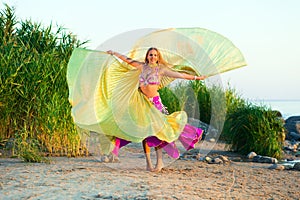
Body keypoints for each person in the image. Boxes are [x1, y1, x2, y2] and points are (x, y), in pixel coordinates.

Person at [107, 47, 206, 172]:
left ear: (158, 57)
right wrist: (115, 52)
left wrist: (197, 78)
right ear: (147, 56)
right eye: (150, 55)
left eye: (155, 55)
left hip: (155, 104)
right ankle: (148, 164)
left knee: (158, 133)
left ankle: (159, 162)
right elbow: (127, 60)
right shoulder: (142, 67)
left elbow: (179, 75)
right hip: (142, 103)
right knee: (145, 134)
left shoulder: (161, 70)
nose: (152, 57)